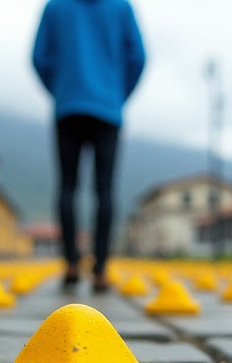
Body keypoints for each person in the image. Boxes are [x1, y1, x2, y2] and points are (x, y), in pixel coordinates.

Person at [32, 0, 146, 292]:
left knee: (67, 187)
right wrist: (117, 94)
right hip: (108, 108)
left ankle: (71, 264)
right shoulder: (121, 7)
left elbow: (39, 58)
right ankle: (100, 270)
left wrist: (60, 90)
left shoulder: (55, 7)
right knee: (104, 189)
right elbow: (138, 57)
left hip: (68, 106)